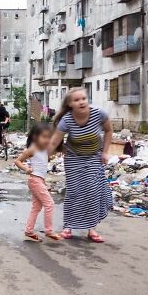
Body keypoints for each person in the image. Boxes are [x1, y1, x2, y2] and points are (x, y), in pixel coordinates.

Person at [49, 87, 113, 243]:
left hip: (93, 158)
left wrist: (105, 152)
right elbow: (54, 142)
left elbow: (109, 131)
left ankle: (91, 229)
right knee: (74, 192)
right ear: (70, 104)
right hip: (73, 159)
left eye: (83, 98)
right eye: (76, 100)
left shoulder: (99, 113)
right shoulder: (67, 120)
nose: (81, 102)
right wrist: (40, 158)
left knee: (92, 192)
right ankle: (68, 227)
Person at [15, 123, 62, 242]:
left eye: (48, 137)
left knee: (36, 207)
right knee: (49, 204)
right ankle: (49, 230)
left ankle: (29, 232)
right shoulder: (32, 148)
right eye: (44, 137)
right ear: (35, 137)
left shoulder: (45, 149)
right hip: (34, 179)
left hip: (39, 180)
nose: (47, 140)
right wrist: (26, 168)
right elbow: (18, 161)